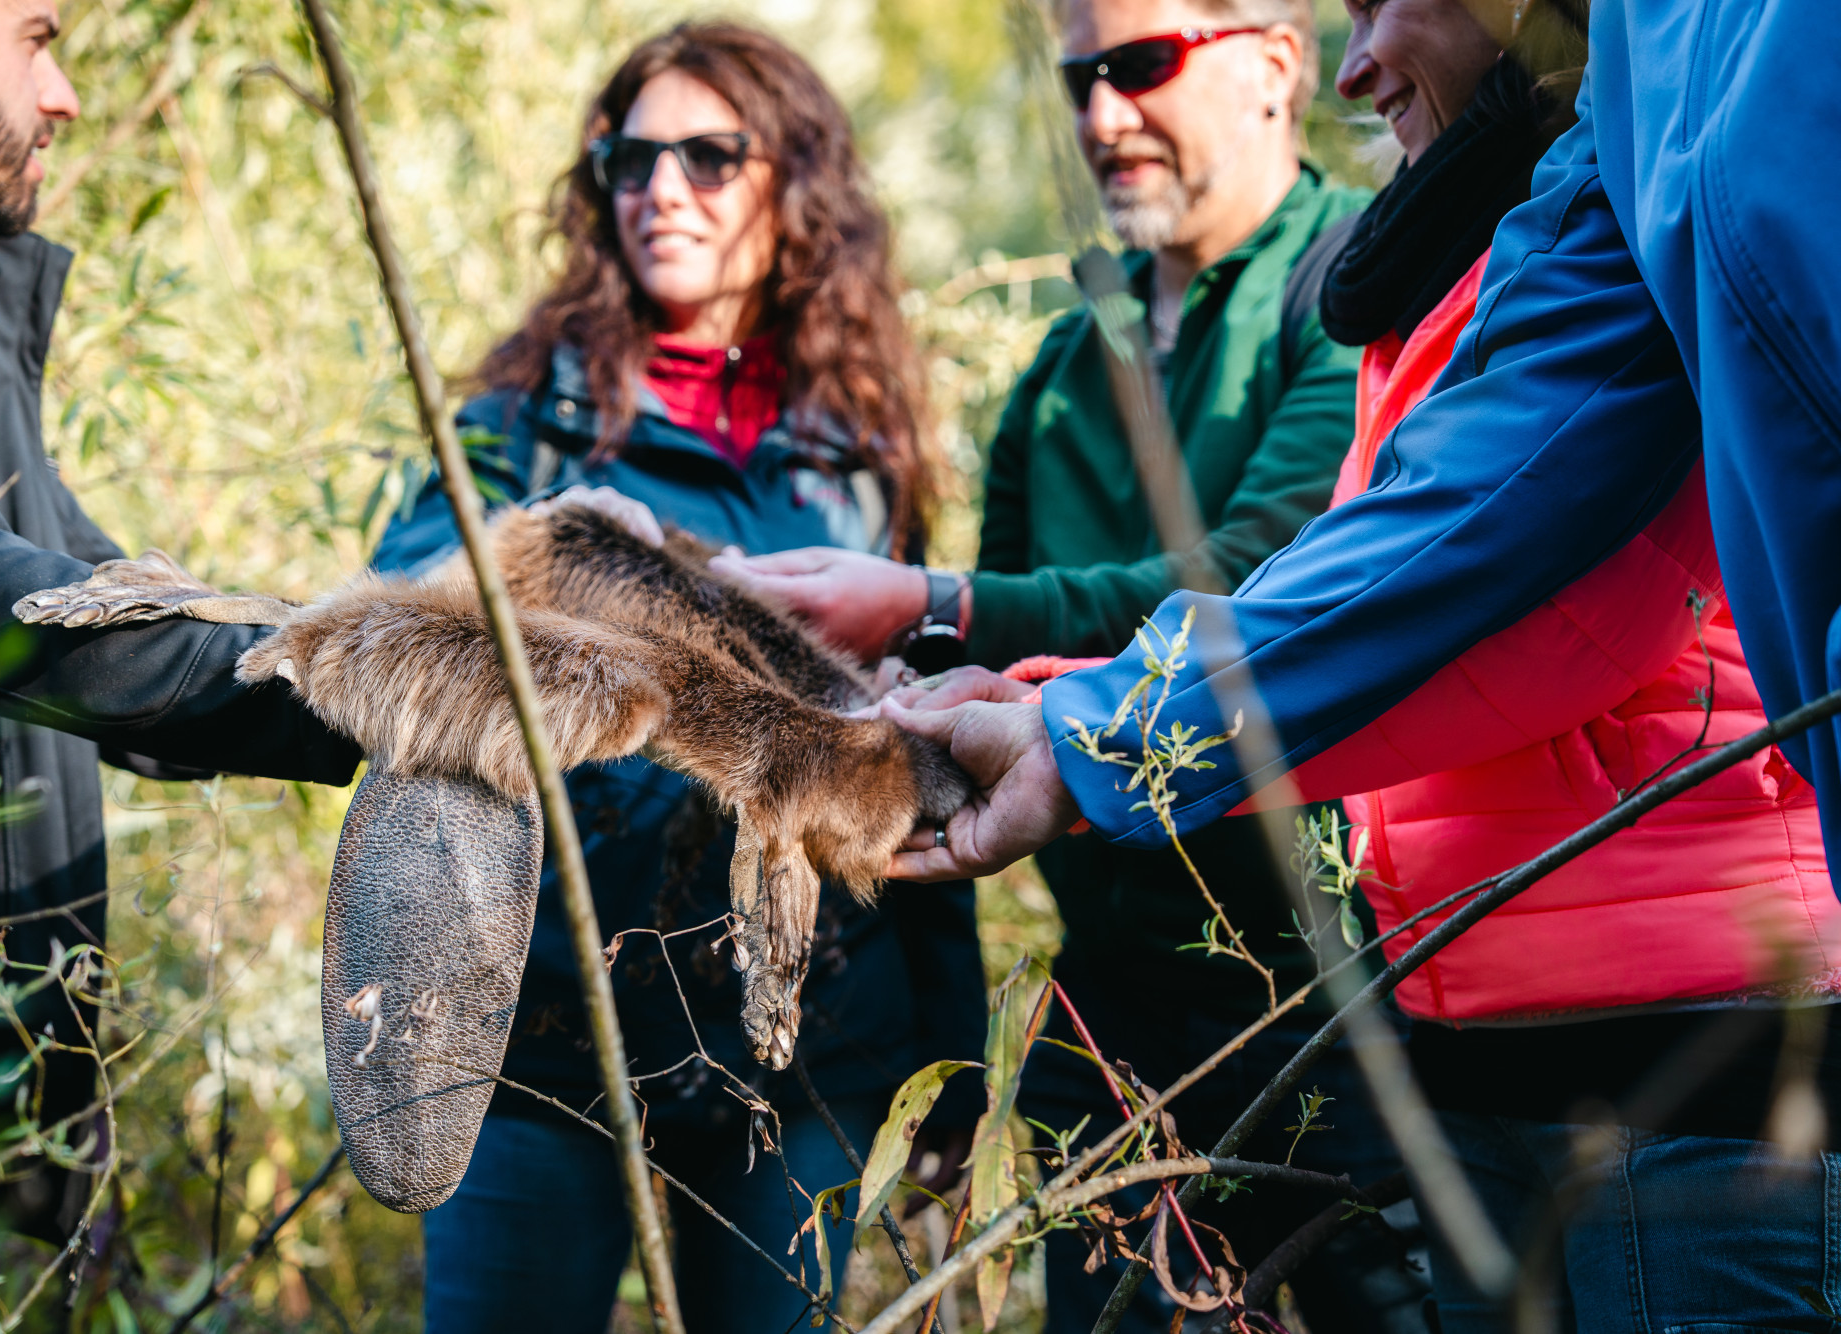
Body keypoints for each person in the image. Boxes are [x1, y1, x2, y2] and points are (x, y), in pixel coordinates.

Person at [881, 0, 1841, 1327]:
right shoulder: (1474, 246)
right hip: (1488, 1057)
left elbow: (1507, 596)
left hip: (1678, 1076)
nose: (1357, 63)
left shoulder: (1605, 195)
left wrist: (1082, 727)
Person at [712, 1, 1427, 1327]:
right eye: (1079, 78)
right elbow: (987, 676)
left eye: (1143, 67)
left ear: (1276, 64)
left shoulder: (1358, 282)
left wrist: (935, 596)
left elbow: (1267, 574)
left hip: (1335, 1014)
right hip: (1107, 1034)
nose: (1100, 117)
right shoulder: (1058, 365)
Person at [369, 25, 986, 1333]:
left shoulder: (858, 458)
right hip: (546, 1031)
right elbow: (413, 625)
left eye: (712, 156)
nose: (665, 189)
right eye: (632, 158)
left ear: (796, 186)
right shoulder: (524, 422)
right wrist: (589, 564)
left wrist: (956, 1056)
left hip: (799, 1047)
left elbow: (909, 748)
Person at [0, 0, 360, 1248]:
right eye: (36, 37)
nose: (62, 93)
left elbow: (112, 608)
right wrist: (403, 693)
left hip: (12, 1154)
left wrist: (439, 645)